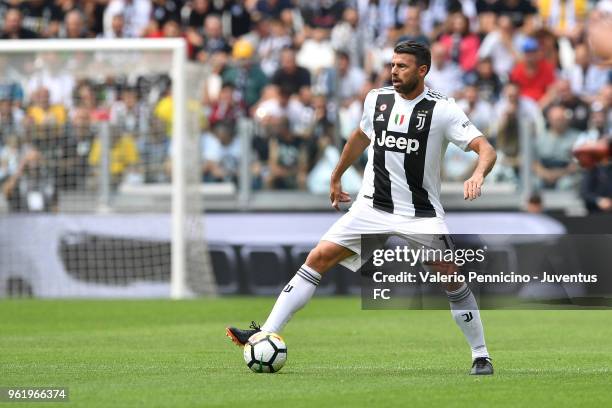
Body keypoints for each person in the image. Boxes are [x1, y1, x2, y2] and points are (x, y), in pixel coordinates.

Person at [226, 41, 498, 376]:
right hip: (371, 206)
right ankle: (266, 331)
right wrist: (337, 174)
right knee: (318, 257)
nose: (394, 71)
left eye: (403, 66)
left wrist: (478, 174)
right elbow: (359, 136)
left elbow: (485, 148)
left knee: (451, 279)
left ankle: (481, 355)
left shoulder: (442, 110)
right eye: (393, 65)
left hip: (419, 213)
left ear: (422, 70)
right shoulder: (377, 99)